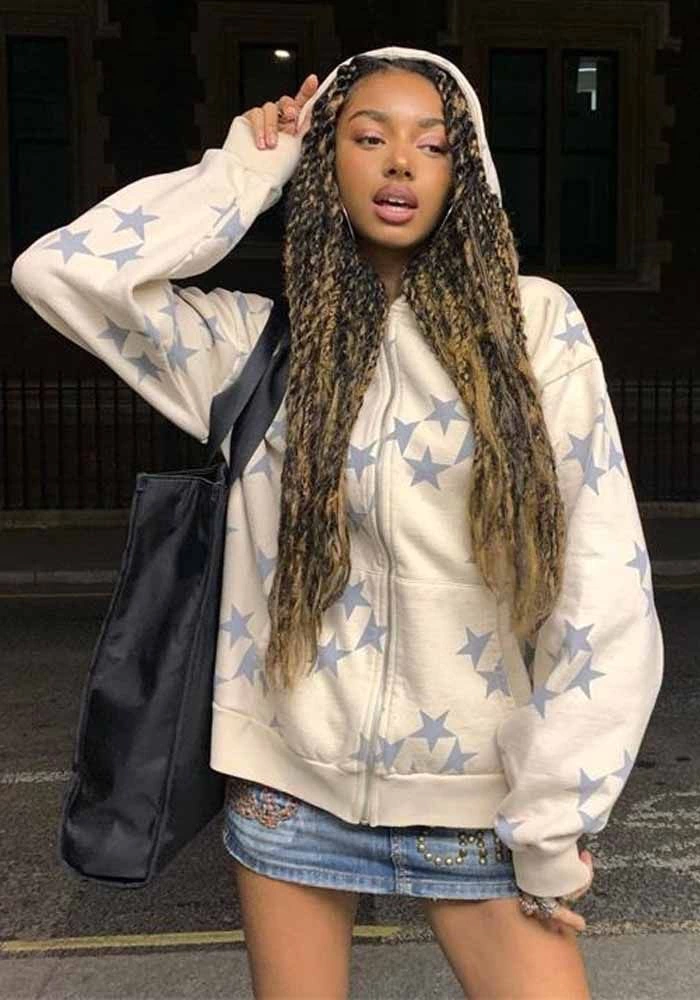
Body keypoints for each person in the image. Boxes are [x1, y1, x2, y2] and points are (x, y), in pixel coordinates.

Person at [11, 44, 664, 999]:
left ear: (465, 174)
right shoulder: (256, 346)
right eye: (367, 138)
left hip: (477, 807)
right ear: (328, 164)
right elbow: (58, 272)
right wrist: (247, 169)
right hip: (290, 799)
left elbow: (604, 583)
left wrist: (554, 817)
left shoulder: (535, 329)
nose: (401, 162)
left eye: (432, 145)